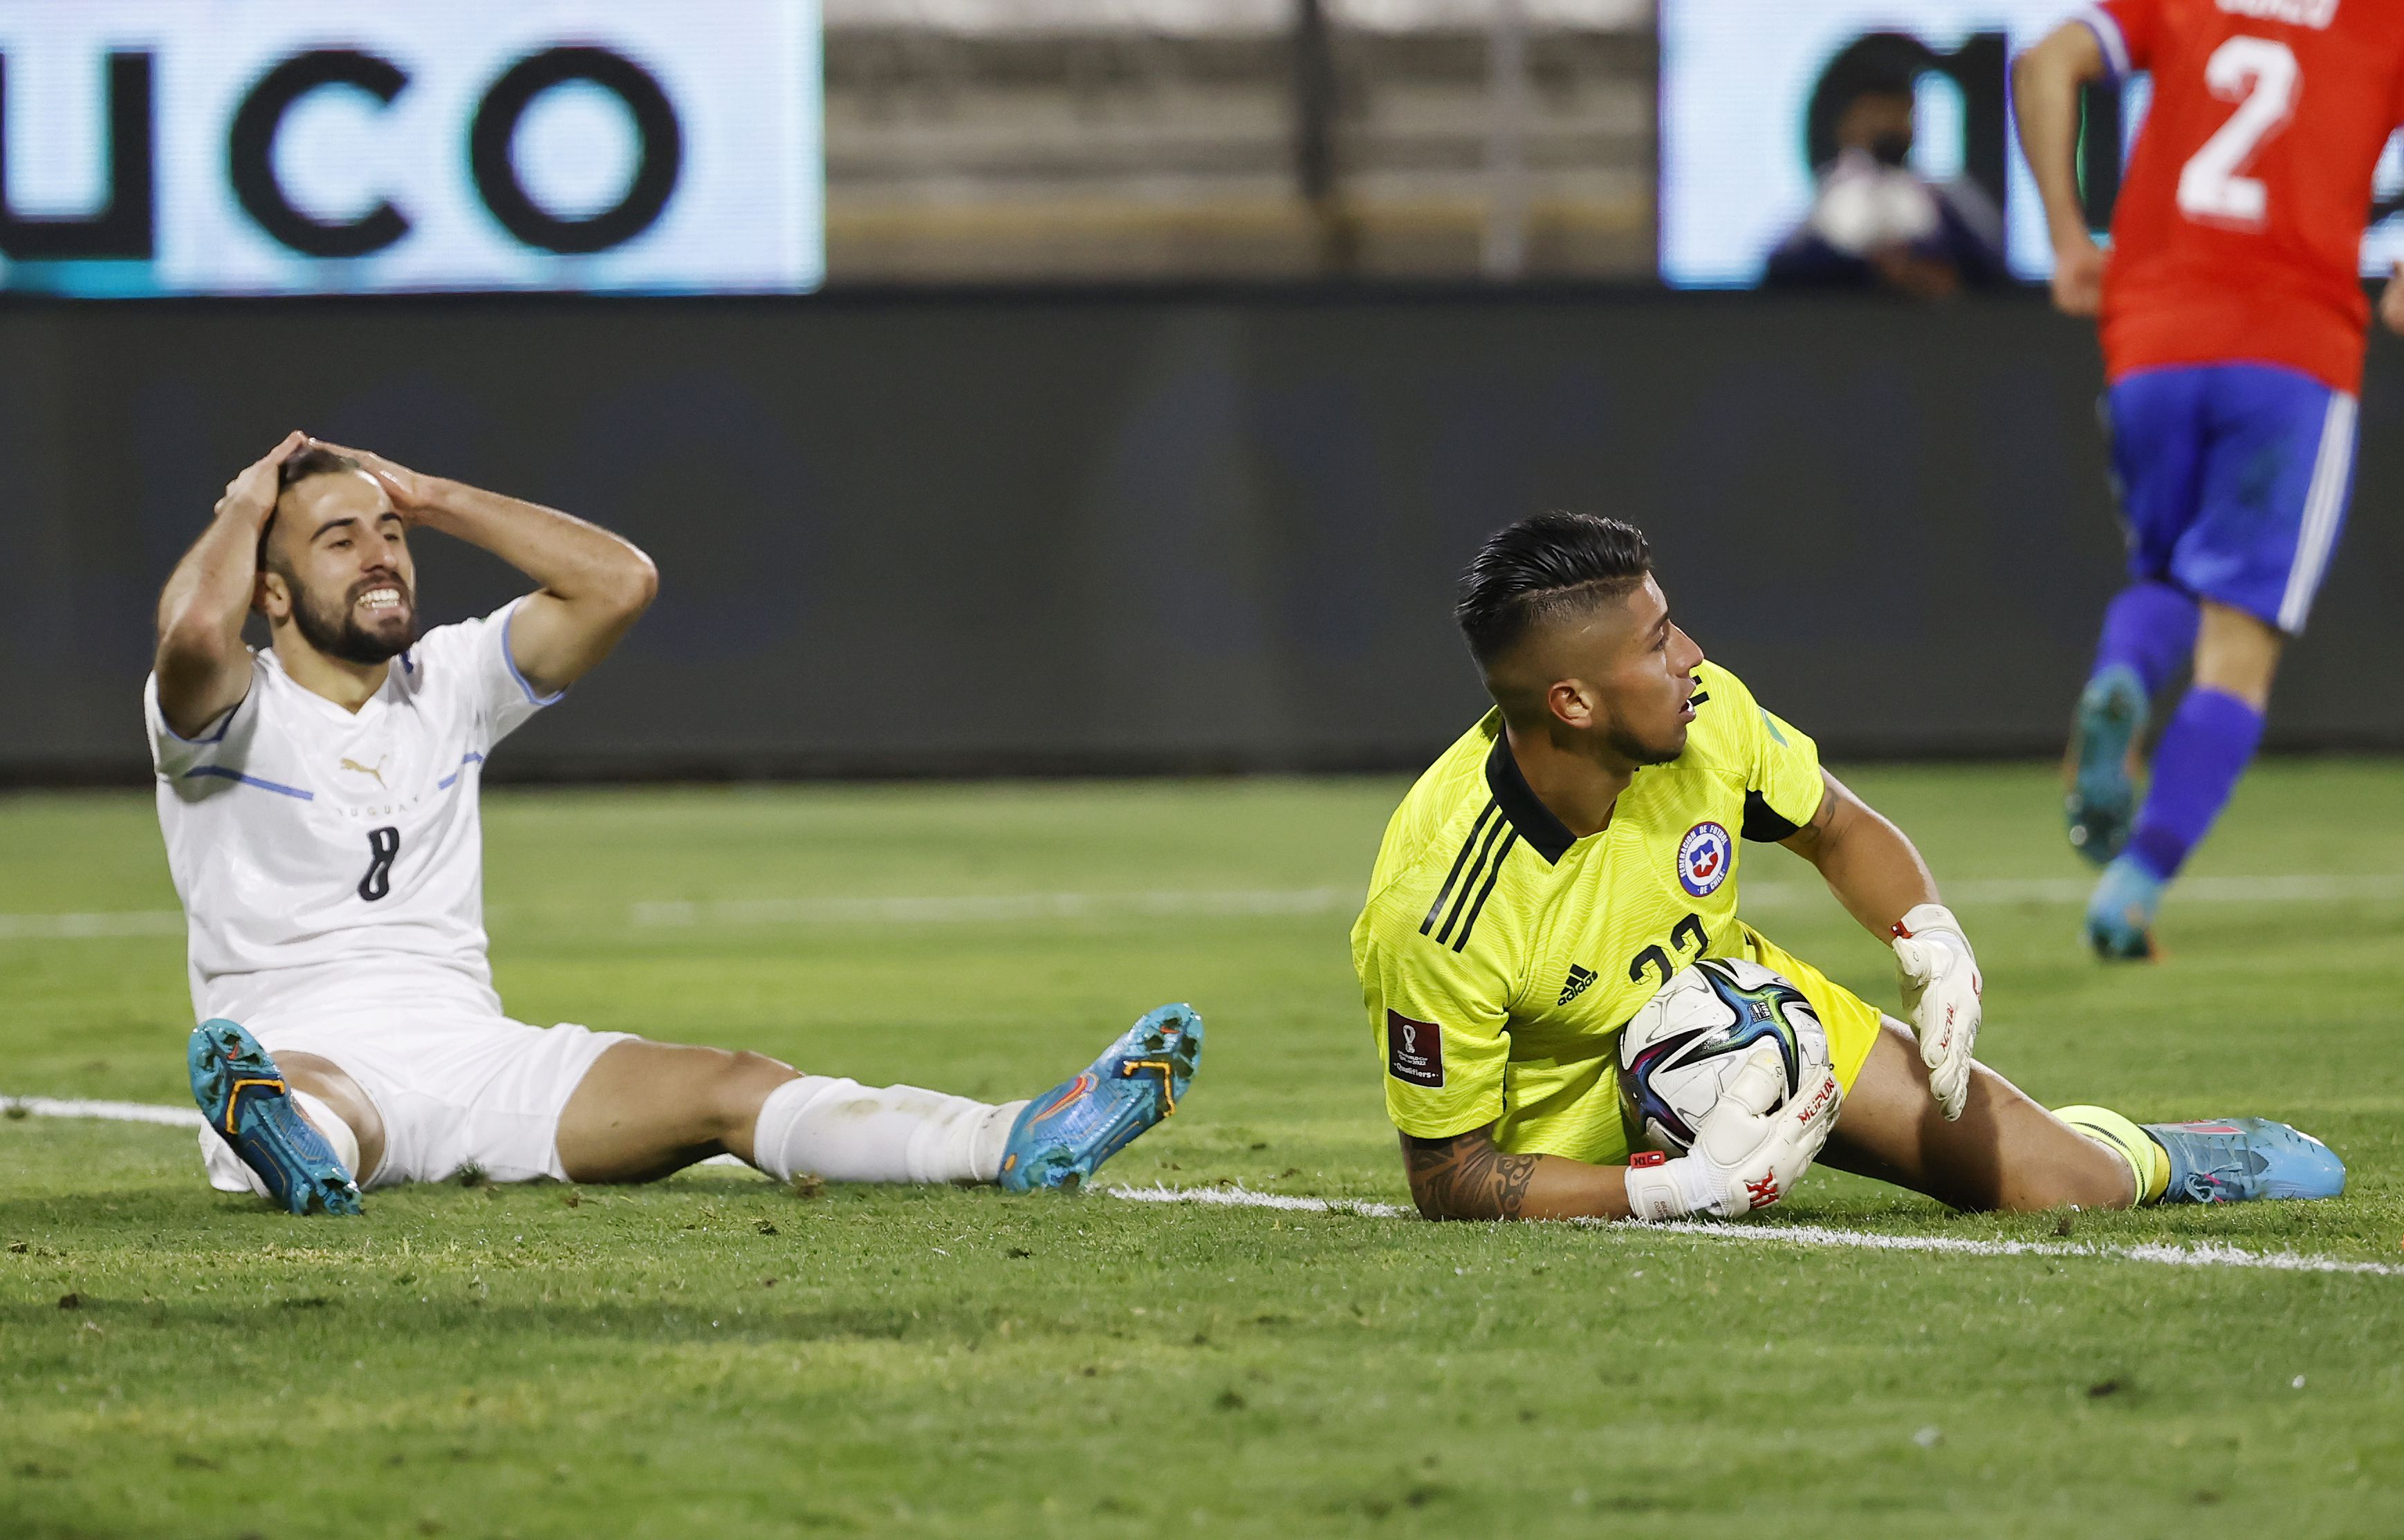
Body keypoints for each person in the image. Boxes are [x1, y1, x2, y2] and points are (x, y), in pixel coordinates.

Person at [153, 433, 1199, 1215]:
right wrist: (247, 505)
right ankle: (295, 1143)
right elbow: (197, 624)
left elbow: (619, 582)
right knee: (320, 1101)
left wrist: (430, 496)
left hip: (477, 1051)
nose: (381, 556)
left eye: (390, 536)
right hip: (306, 1047)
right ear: (273, 593)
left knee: (732, 1084)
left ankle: (1012, 1136)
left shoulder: (450, 679)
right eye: (340, 542)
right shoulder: (221, 707)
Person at [1351, 511, 2340, 1223]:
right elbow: (1450, 1175)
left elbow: (1835, 823)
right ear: (1571, 703)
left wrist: (1931, 939)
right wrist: (1667, 1189)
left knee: (2068, 1184)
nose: (1692, 653)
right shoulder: (1438, 904)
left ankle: (2148, 1147)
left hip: (1752, 1021)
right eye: (1657, 644)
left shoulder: (1705, 717)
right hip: (1583, 1153)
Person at [2014, 1, 2404, 958]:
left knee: (2168, 579)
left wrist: (2069, 237)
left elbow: (2045, 60)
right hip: (2293, 349)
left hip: (2153, 339)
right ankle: (2133, 888)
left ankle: (2122, 679)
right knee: (2240, 646)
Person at [1763, 33, 2008, 299]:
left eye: (1902, 114)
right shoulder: (1825, 206)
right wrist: (1872, 265)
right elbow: (1782, 270)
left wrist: (1922, 264)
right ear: (1848, 124)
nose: (1892, 125)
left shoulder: (1947, 198)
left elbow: (1988, 262)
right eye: (1878, 114)